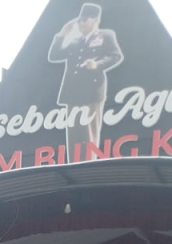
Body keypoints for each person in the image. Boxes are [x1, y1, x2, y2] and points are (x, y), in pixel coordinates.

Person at [47, 2, 124, 155]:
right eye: (80, 20)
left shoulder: (105, 35)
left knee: (89, 134)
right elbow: (54, 56)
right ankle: (74, 166)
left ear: (95, 19)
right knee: (73, 137)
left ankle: (88, 167)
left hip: (91, 91)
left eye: (85, 19)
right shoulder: (75, 40)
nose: (81, 23)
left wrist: (97, 64)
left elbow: (116, 56)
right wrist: (63, 33)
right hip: (72, 92)